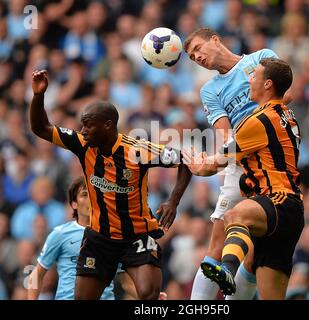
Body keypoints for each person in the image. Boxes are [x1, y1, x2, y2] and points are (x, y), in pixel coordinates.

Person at [29, 70, 192, 300]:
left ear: (107, 125)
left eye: (88, 125)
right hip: (100, 237)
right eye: (82, 125)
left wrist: (173, 201)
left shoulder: (137, 150)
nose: (83, 131)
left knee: (149, 295)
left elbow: (183, 160)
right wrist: (38, 96)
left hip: (136, 235)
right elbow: (40, 128)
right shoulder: (82, 144)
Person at [183, 58, 304, 299]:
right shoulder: (287, 115)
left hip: (276, 200)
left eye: (254, 76)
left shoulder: (258, 121)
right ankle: (230, 271)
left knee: (234, 215)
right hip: (291, 212)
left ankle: (226, 268)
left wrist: (198, 165)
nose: (249, 80)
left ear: (267, 84)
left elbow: (216, 164)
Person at [27, 177, 137, 300]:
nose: (90, 199)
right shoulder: (60, 234)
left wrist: (152, 297)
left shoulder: (114, 236)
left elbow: (126, 282)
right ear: (74, 204)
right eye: (85, 195)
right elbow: (36, 274)